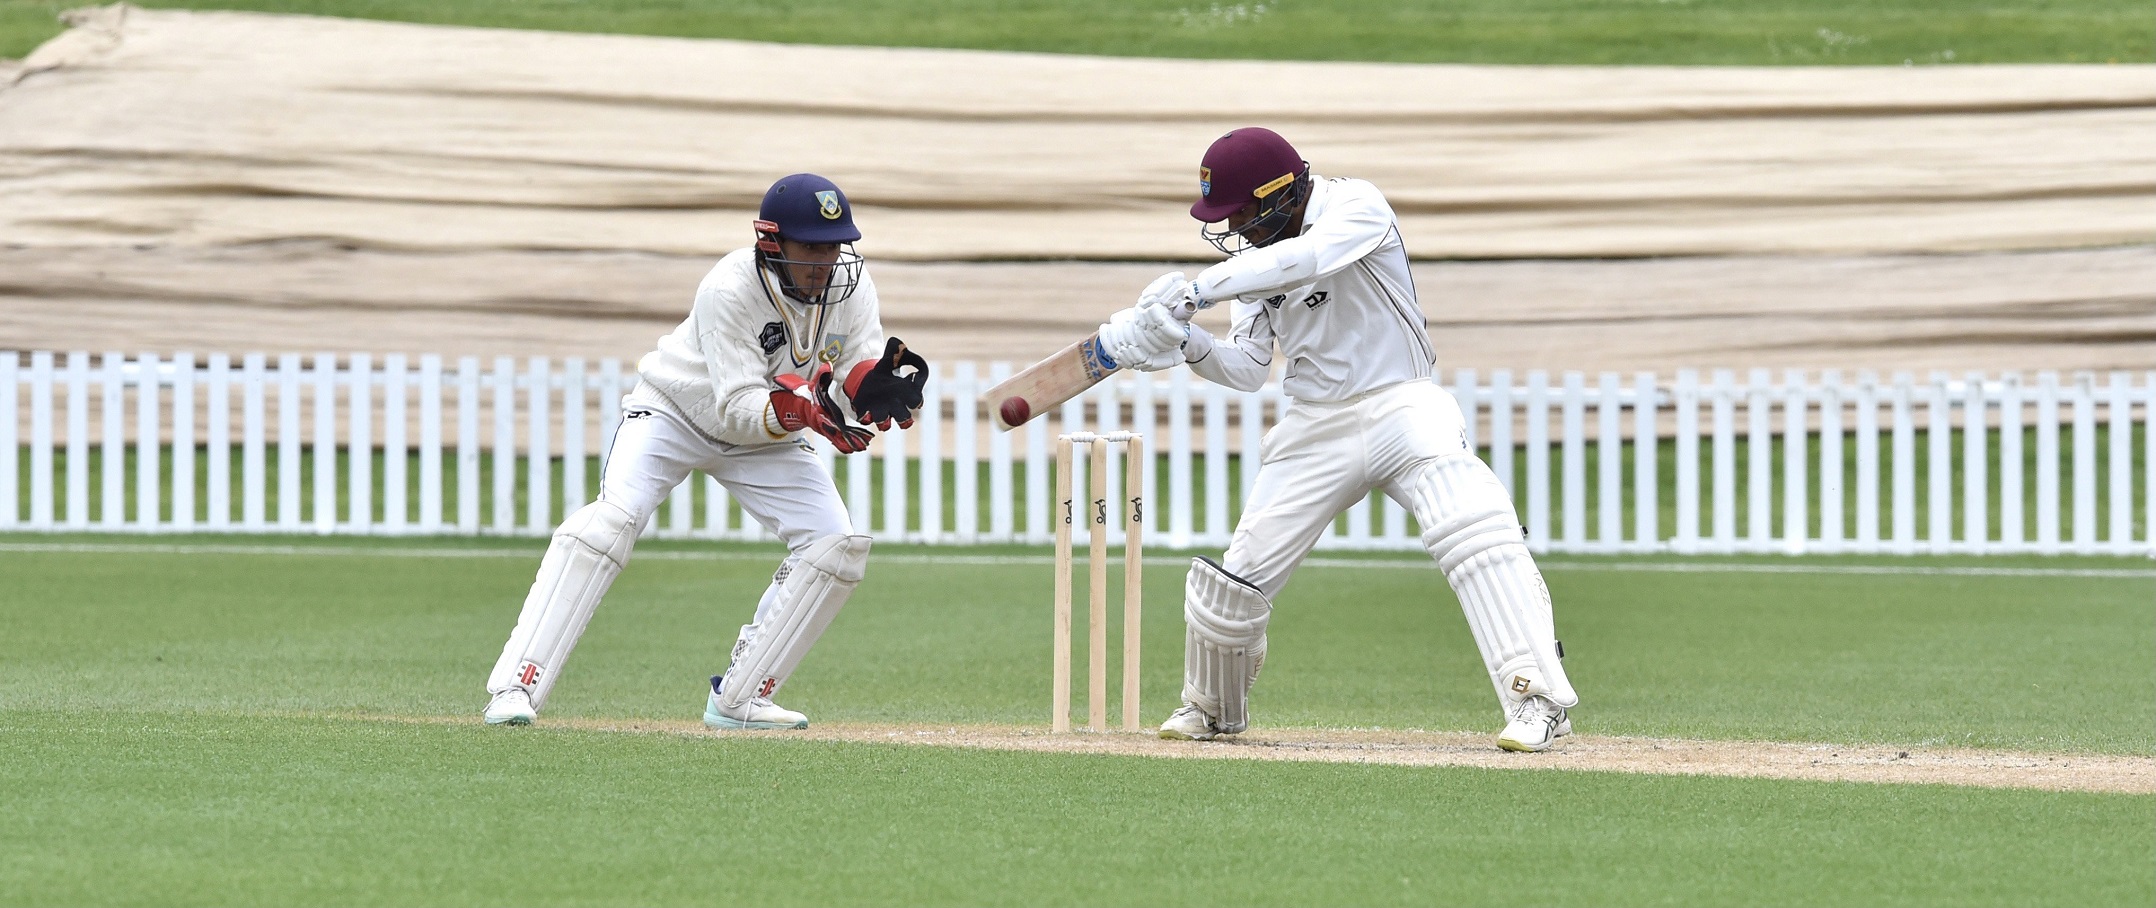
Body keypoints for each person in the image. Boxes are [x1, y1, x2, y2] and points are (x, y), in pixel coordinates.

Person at [1093, 128, 1579, 751]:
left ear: (1279, 192)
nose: (1235, 228)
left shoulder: (1356, 205)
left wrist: (1195, 291)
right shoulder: (1253, 262)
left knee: (1473, 527)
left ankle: (1538, 700)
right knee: (1236, 578)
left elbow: (1306, 260)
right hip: (1316, 423)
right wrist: (1184, 342)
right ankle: (1213, 708)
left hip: (1402, 402)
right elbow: (1244, 368)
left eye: (1241, 212)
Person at [481, 173, 928, 730]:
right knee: (609, 525)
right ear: (772, 243)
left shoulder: (850, 287)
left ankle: (741, 699)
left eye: (834, 247)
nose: (824, 262)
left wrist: (867, 389)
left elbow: (853, 363)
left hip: (764, 439)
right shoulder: (730, 287)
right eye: (811, 247)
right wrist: (808, 412)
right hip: (675, 413)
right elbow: (738, 403)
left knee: (836, 546)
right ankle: (515, 686)